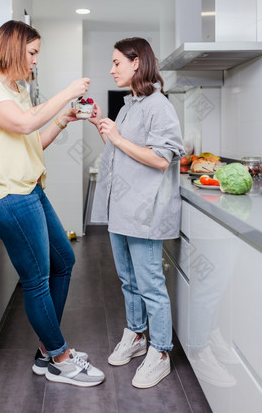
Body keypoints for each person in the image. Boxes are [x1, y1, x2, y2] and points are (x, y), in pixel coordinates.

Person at [0, 20, 105, 388]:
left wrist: (62, 120)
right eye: (32, 53)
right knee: (37, 279)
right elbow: (25, 124)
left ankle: (47, 351)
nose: (35, 61)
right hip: (8, 196)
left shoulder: (18, 90)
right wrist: (67, 92)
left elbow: (32, 141)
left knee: (64, 261)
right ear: (12, 48)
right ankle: (59, 357)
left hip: (31, 190)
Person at [90, 37, 185, 388]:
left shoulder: (159, 105)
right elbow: (124, 153)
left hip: (145, 210)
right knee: (128, 280)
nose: (111, 69)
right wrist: (105, 128)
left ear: (136, 63)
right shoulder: (130, 105)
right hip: (122, 208)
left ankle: (160, 351)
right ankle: (136, 334)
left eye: (117, 62)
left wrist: (116, 138)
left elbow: (161, 158)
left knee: (150, 284)